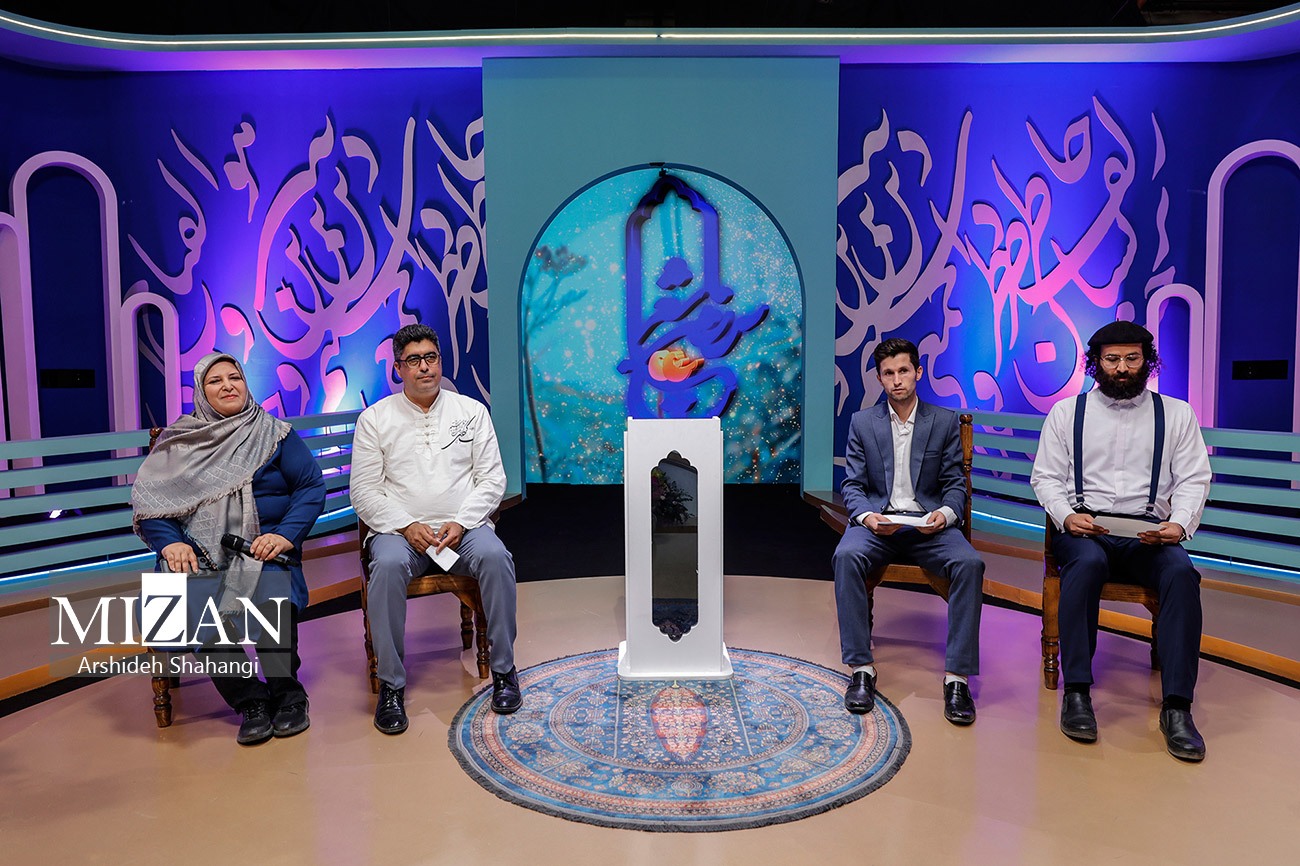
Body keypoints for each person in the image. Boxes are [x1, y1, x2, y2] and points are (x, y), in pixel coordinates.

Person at [1030, 321, 1212, 762]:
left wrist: (1179, 524)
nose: (1123, 368)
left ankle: (1177, 707)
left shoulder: (1177, 414)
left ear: (1147, 360)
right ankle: (1077, 693)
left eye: (1132, 358)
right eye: (1112, 360)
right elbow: (1046, 477)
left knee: (1182, 574)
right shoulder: (1066, 414)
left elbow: (1194, 478)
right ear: (1096, 363)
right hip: (1086, 530)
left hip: (1150, 534)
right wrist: (1067, 516)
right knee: (1087, 564)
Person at [133, 352, 325, 745]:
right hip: (200, 553)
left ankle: (288, 696)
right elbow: (151, 506)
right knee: (194, 600)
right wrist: (171, 544)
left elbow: (310, 487)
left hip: (262, 546)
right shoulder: (178, 443)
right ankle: (250, 700)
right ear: (201, 392)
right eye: (215, 381)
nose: (227, 386)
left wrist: (285, 535)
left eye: (234, 377)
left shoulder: (274, 433)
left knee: (272, 595)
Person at [350, 324, 521, 735]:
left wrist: (461, 522)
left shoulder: (471, 412)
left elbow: (492, 479)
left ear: (440, 362)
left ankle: (504, 671)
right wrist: (406, 525)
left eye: (431, 358)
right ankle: (391, 686)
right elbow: (364, 490)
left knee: (496, 557)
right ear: (398, 369)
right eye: (414, 360)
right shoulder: (375, 419)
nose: (424, 367)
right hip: (399, 534)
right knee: (386, 567)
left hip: (463, 530)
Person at [833, 338, 985, 725]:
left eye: (903, 371)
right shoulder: (862, 422)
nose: (897, 380)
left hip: (929, 525)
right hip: (879, 522)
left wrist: (946, 514)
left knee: (970, 564)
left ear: (918, 372)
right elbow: (853, 484)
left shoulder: (944, 421)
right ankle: (861, 669)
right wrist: (867, 517)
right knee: (845, 556)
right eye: (888, 373)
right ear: (879, 378)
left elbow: (955, 483)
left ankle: (957, 679)